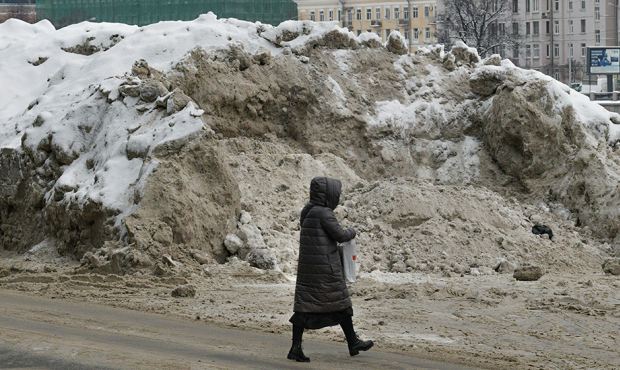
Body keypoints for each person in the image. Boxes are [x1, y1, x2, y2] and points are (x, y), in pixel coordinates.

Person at [287, 177, 373, 362]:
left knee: (304, 307)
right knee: (342, 304)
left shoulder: (308, 211)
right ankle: (353, 342)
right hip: (325, 270)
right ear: (328, 194)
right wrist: (353, 231)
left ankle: (296, 348)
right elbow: (340, 235)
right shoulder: (324, 213)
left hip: (309, 269)